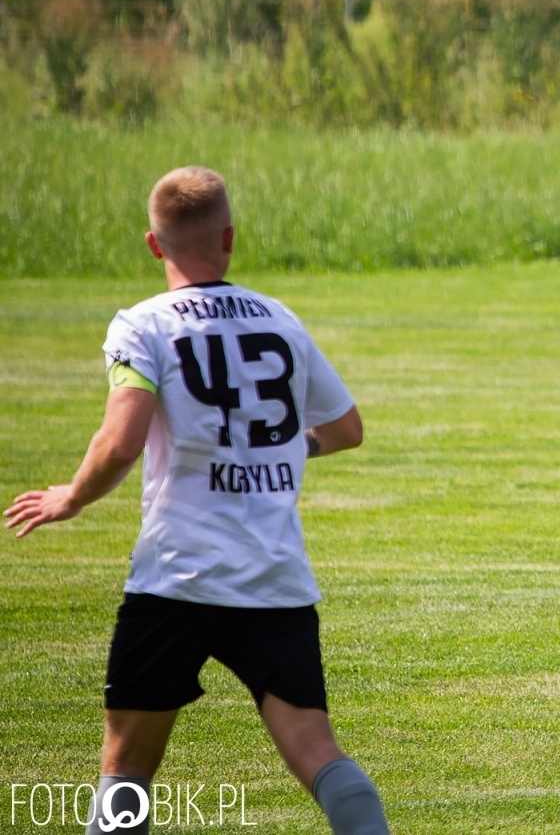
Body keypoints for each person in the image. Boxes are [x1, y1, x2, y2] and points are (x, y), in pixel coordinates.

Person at [4, 167, 390, 835]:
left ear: (154, 244)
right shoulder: (280, 319)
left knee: (127, 767)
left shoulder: (143, 326)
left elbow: (121, 442)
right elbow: (345, 428)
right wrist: (281, 450)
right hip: (273, 578)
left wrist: (71, 495)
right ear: (229, 237)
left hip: (176, 577)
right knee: (318, 751)